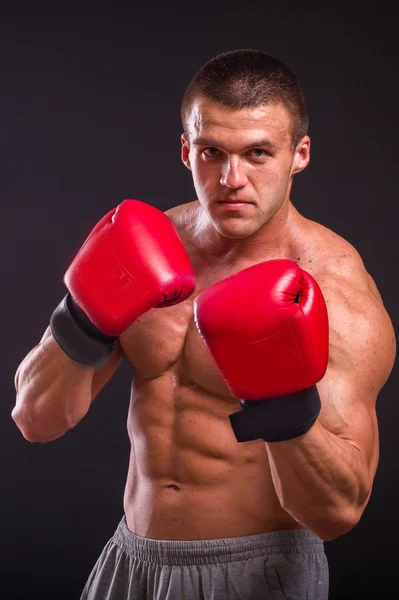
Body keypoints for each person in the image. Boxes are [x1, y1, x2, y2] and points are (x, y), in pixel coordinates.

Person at [12, 49, 396, 600]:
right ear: (187, 150)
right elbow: (34, 419)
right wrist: (84, 316)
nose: (231, 178)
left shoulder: (335, 293)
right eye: (212, 152)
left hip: (256, 573)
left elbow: (338, 511)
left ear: (300, 155)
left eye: (258, 153)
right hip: (131, 560)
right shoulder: (144, 249)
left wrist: (281, 405)